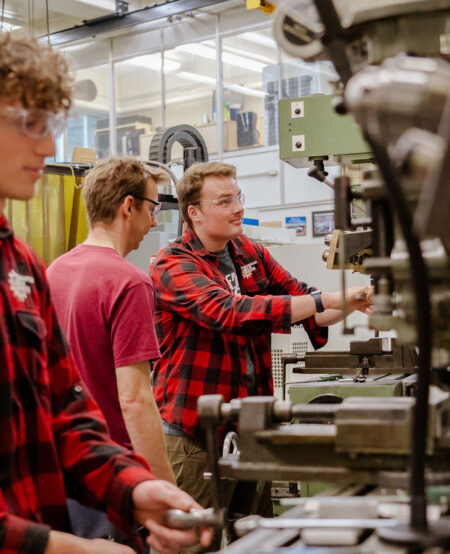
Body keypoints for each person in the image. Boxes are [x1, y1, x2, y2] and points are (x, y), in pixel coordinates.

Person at [0, 32, 212, 554]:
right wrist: (65, 549)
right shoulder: (123, 279)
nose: (49, 147)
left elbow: (65, 412)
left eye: (52, 126)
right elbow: (133, 397)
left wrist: (136, 488)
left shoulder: (23, 265)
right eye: (30, 123)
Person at [150, 161, 373, 551]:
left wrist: (359, 297)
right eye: (225, 200)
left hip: (249, 425)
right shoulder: (172, 264)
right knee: (189, 545)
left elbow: (307, 302)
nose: (237, 207)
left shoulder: (247, 250)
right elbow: (229, 312)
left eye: (239, 197)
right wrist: (325, 299)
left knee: (255, 540)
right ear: (194, 212)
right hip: (193, 435)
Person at [47, 156, 176, 543]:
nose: (153, 223)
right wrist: (167, 487)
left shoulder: (54, 270)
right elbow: (134, 399)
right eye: (152, 209)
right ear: (129, 206)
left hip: (66, 468)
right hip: (111, 473)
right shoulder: (130, 281)